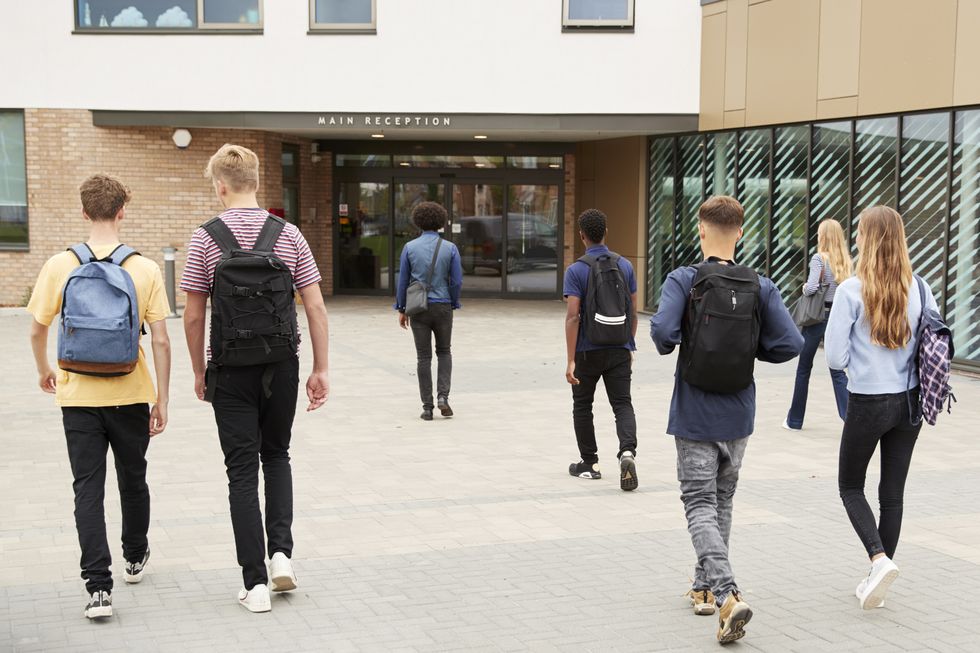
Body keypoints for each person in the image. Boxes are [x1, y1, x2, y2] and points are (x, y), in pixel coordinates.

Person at [181, 144, 330, 613]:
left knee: (241, 470)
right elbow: (315, 306)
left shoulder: (205, 238)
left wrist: (199, 370)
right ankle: (281, 554)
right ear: (258, 182)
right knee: (277, 454)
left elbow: (193, 315)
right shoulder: (289, 234)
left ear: (220, 186)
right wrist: (320, 368)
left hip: (229, 369)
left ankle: (255, 584)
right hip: (281, 365)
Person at [650, 196, 802, 644]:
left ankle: (726, 594)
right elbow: (791, 343)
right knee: (722, 502)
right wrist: (749, 350)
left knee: (699, 504)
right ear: (740, 232)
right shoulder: (761, 285)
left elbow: (662, 333)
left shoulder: (684, 279)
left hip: (695, 412)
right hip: (738, 413)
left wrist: (684, 341)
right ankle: (703, 589)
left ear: (700, 230)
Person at [27, 174, 171, 620]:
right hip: (131, 393)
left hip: (77, 396)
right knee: (133, 479)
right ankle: (135, 556)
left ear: (84, 212)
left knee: (87, 489)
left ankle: (98, 589)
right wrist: (162, 399)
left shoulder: (59, 265)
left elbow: (37, 329)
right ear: (122, 211)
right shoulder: (144, 268)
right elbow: (161, 340)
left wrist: (45, 370)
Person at [825, 205, 939, 610]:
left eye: (859, 232)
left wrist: (862, 361)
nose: (856, 237)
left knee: (850, 486)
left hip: (868, 401)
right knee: (892, 493)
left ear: (867, 240)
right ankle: (879, 577)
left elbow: (835, 357)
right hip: (910, 402)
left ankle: (878, 560)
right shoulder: (920, 288)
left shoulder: (851, 291)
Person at [563, 208, 639, 492]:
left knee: (583, 405)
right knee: (622, 403)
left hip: (587, 350)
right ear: (606, 232)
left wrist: (570, 359)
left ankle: (589, 464)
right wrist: (629, 344)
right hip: (619, 347)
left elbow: (573, 316)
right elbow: (633, 311)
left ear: (581, 235)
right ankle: (627, 452)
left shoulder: (576, 270)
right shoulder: (625, 266)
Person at [394, 201, 463, 420]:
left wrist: (401, 308)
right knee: (444, 351)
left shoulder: (409, 248)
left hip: (418, 307)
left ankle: (427, 407)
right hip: (443, 305)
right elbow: (457, 281)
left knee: (423, 357)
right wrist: (453, 302)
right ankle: (443, 396)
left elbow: (403, 281)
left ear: (418, 222)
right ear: (440, 222)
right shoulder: (450, 248)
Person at [784, 219, 851, 430]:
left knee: (804, 368)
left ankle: (795, 421)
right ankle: (850, 419)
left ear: (823, 236)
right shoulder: (845, 260)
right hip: (836, 317)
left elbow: (812, 287)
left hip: (816, 319)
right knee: (837, 369)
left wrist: (804, 287)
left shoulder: (819, 258)